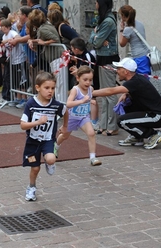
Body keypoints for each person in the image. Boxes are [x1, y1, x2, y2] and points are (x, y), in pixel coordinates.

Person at [92, 58, 161, 149]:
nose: (117, 71)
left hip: (158, 116)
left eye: (119, 69)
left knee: (122, 121)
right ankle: (137, 137)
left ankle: (153, 134)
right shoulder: (136, 79)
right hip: (153, 113)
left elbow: (111, 90)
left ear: (126, 71)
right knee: (127, 106)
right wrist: (126, 94)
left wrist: (91, 93)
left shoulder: (134, 82)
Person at [20, 72, 69, 201]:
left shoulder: (55, 105)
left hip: (48, 140)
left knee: (51, 158)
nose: (50, 91)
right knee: (35, 168)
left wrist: (64, 126)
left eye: (53, 88)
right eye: (46, 88)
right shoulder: (31, 104)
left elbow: (65, 111)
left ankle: (49, 162)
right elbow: (23, 125)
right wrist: (37, 122)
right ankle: (31, 187)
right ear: (38, 88)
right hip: (33, 141)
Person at [54, 66, 101, 166]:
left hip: (84, 117)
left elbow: (88, 98)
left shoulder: (90, 89)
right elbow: (68, 104)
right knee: (64, 136)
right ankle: (56, 146)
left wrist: (90, 101)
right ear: (78, 78)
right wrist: (82, 101)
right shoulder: (75, 90)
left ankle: (93, 158)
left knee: (91, 133)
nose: (88, 83)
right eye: (85, 80)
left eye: (90, 80)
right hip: (72, 118)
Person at [89, 0, 120, 136]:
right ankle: (103, 124)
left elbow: (96, 42)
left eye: (96, 2)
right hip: (102, 58)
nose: (95, 5)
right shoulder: (102, 20)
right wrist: (96, 36)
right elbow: (94, 38)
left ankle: (112, 126)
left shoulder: (108, 21)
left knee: (110, 94)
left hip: (108, 59)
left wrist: (97, 37)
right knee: (104, 93)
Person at [68, 37, 99, 128]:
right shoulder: (80, 56)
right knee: (85, 100)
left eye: (72, 48)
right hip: (83, 81)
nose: (71, 50)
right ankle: (82, 117)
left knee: (92, 100)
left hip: (91, 82)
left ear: (76, 49)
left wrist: (77, 73)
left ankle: (94, 121)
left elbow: (88, 71)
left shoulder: (87, 56)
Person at [0, 19, 27, 108]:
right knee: (15, 80)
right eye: (2, 27)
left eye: (4, 27)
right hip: (12, 60)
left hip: (19, 59)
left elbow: (18, 38)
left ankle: (24, 99)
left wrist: (8, 41)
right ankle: (17, 98)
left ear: (8, 27)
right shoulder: (4, 36)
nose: (3, 29)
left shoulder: (12, 33)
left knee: (22, 80)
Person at [118, 5, 151, 75]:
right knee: (144, 79)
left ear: (123, 16)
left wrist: (121, 30)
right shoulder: (140, 24)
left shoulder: (128, 29)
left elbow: (122, 43)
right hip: (145, 56)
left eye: (121, 15)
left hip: (138, 57)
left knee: (140, 81)